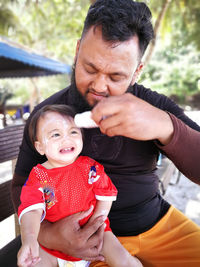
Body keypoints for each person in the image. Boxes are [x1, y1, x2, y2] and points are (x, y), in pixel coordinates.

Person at [10, 0, 200, 266]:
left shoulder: (154, 106)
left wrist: (164, 126)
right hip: (92, 243)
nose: (99, 86)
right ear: (77, 51)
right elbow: (22, 186)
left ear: (137, 72)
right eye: (89, 69)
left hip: (160, 224)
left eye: (116, 76)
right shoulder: (48, 118)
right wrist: (52, 235)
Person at [17, 104, 143, 267]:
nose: (66, 138)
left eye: (73, 132)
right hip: (53, 245)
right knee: (33, 264)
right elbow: (32, 210)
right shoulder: (39, 176)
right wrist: (29, 239)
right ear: (40, 146)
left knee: (124, 262)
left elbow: (106, 196)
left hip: (97, 235)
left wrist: (96, 225)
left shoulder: (90, 167)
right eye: (55, 134)